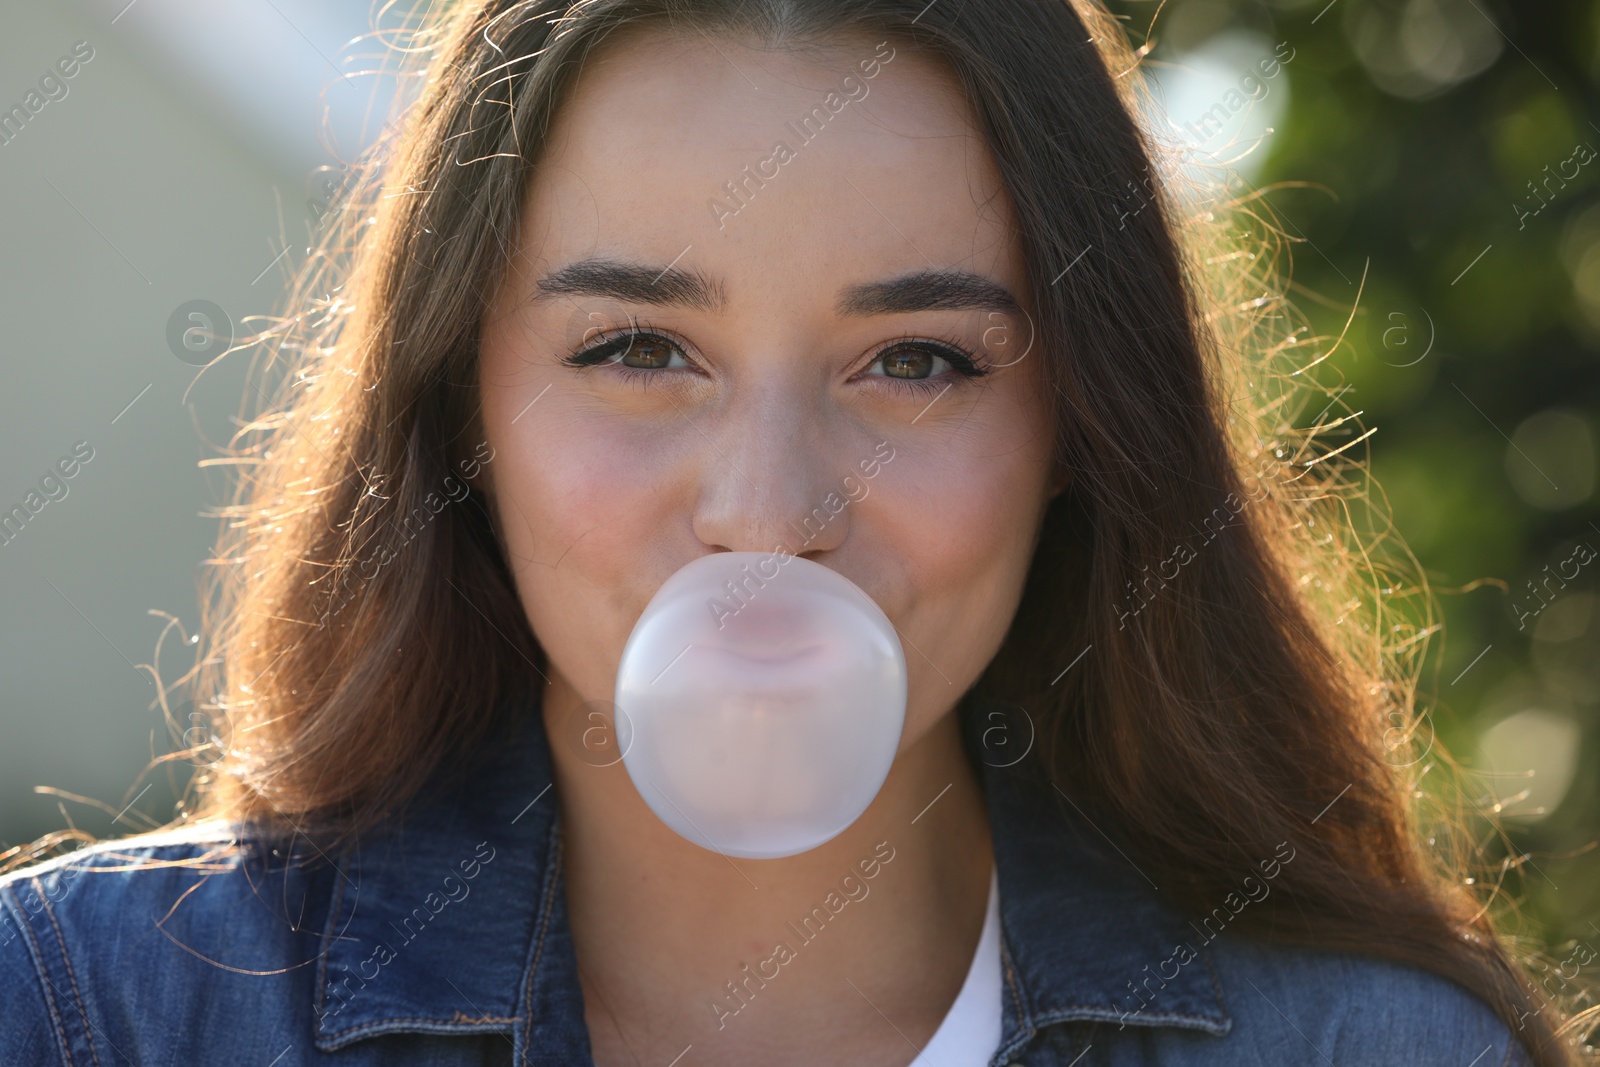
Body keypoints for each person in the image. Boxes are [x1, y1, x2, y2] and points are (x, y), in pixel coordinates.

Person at [0, 0, 1578, 1063]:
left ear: (1081, 432)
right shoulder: (91, 1016)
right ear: (459, 408)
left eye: (917, 364)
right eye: (637, 350)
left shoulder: (1374, 1051)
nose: (769, 511)